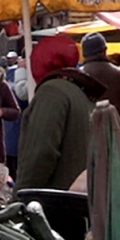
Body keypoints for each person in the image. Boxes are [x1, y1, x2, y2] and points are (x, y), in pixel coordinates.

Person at [15, 34, 106, 192]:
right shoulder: (80, 91)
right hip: (80, 196)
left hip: (56, 202)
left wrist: (20, 196)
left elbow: (40, 154)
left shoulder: (51, 93)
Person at [80, 32, 120, 144]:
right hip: (118, 142)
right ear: (105, 50)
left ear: (84, 53)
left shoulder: (77, 77)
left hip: (85, 144)